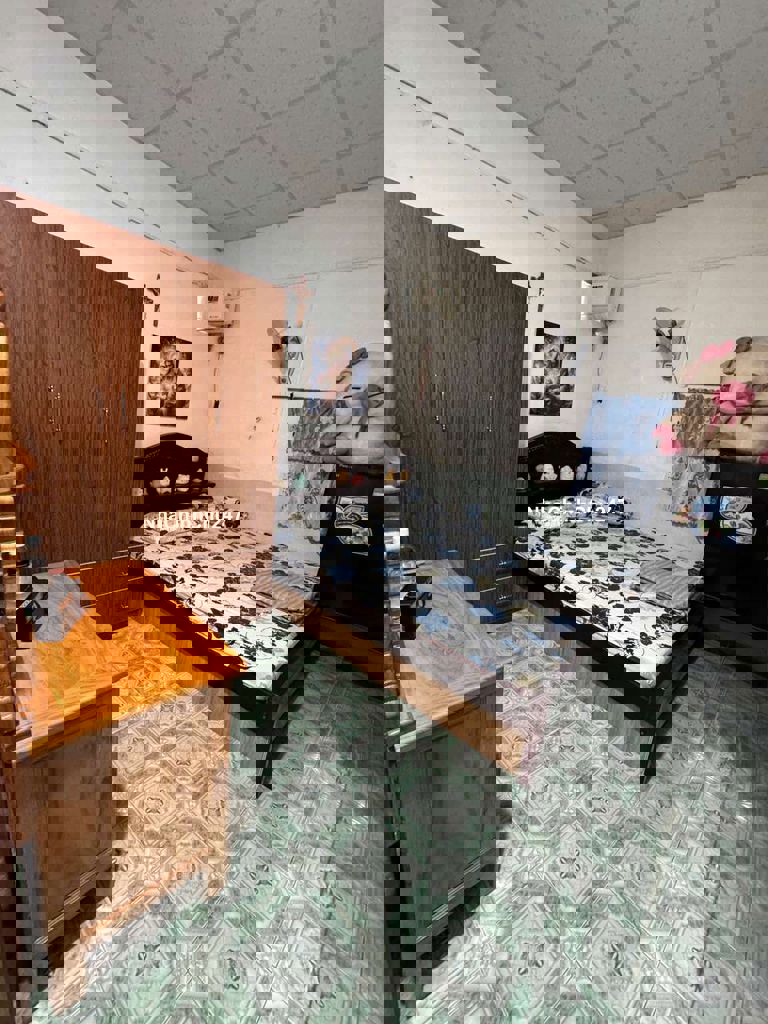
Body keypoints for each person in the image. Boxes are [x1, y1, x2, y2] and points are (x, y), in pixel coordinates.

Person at [702, 337, 768, 685]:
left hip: (741, 473)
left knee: (730, 542)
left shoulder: (748, 372)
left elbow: (728, 408)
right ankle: (731, 609)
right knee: (739, 542)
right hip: (747, 474)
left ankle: (723, 613)